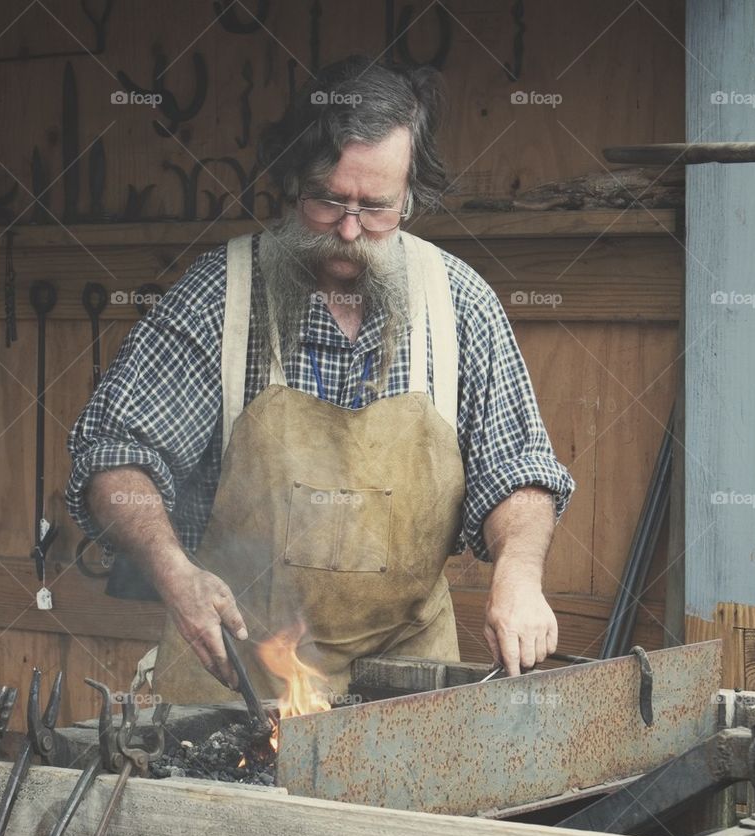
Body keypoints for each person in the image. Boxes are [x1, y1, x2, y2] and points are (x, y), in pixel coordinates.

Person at [65, 55, 574, 704]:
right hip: (236, 684)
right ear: (293, 182)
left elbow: (519, 473)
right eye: (329, 201)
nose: (350, 231)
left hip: (406, 694)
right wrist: (174, 572)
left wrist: (520, 572)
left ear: (412, 196)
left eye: (377, 207)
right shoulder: (223, 298)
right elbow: (115, 455)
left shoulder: (459, 305)